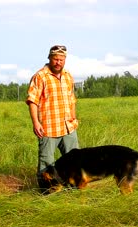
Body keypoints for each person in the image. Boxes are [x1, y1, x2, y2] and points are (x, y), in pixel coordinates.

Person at [26, 44, 79, 192]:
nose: (58, 62)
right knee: (46, 163)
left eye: (61, 59)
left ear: (65, 59)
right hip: (48, 128)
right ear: (49, 58)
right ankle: (45, 193)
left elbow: (72, 99)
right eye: (55, 59)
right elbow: (32, 101)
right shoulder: (40, 76)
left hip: (68, 127)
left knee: (74, 161)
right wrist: (36, 123)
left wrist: (74, 119)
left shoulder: (68, 76)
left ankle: (73, 190)